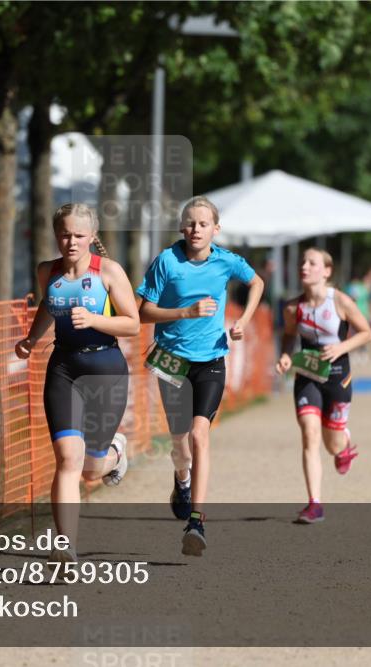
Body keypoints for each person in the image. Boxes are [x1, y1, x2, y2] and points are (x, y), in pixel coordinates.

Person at [136, 196, 264, 556]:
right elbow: (142, 313)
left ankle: (197, 521)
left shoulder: (226, 262)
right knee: (179, 445)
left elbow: (257, 283)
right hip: (171, 361)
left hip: (210, 361)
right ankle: (182, 481)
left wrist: (244, 320)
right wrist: (186, 312)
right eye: (190, 223)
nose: (196, 229)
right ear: (181, 227)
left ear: (215, 229)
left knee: (199, 435)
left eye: (203, 224)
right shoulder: (166, 261)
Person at [14, 203, 140, 564]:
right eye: (65, 234)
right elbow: (47, 306)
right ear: (56, 235)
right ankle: (65, 545)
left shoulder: (109, 273)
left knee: (90, 471)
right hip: (64, 369)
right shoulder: (47, 272)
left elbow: (132, 324)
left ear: (92, 237)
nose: (71, 241)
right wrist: (31, 339)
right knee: (68, 459)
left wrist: (97, 319)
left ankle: (116, 454)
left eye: (79, 235)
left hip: (105, 370)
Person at [275, 248, 371, 524]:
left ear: (326, 271)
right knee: (309, 434)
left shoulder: (341, 301)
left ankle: (343, 447)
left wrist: (341, 347)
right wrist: (284, 356)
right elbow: (289, 335)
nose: (304, 266)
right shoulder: (293, 308)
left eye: (312, 263)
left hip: (338, 376)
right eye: (302, 262)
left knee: (332, 444)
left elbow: (367, 332)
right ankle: (314, 504)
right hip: (307, 375)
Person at [346, 267, 371, 362]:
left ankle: (362, 352)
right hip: (361, 314)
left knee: (362, 334)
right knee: (365, 333)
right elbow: (355, 299)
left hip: (363, 314)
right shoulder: (358, 287)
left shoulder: (358, 287)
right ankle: (361, 353)